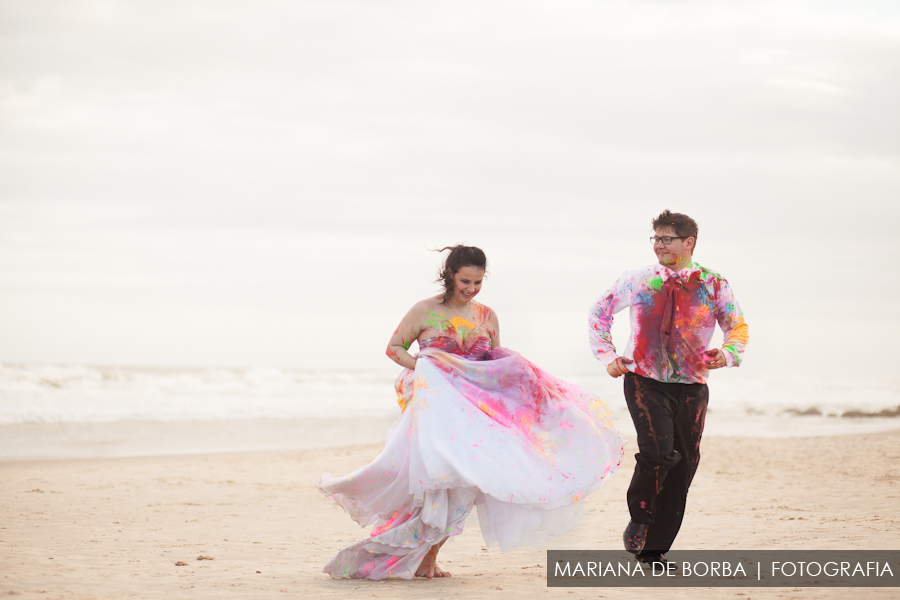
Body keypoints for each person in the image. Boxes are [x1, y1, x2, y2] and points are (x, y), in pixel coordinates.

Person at [318, 245, 626, 580]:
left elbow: (492, 367)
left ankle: (429, 557)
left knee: (465, 487)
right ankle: (413, 555)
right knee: (436, 486)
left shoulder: (487, 316)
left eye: (478, 282)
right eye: (466, 280)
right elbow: (394, 348)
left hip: (475, 411)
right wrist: (425, 368)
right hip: (434, 409)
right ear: (449, 275)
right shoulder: (424, 311)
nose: (471, 289)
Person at [588, 210, 749, 564]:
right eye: (656, 239)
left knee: (684, 465)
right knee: (658, 452)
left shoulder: (713, 283)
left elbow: (736, 326)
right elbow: (599, 312)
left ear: (688, 242)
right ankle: (640, 516)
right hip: (643, 380)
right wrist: (607, 355)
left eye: (667, 239)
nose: (659, 246)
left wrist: (727, 354)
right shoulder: (639, 279)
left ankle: (653, 552)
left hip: (691, 386)